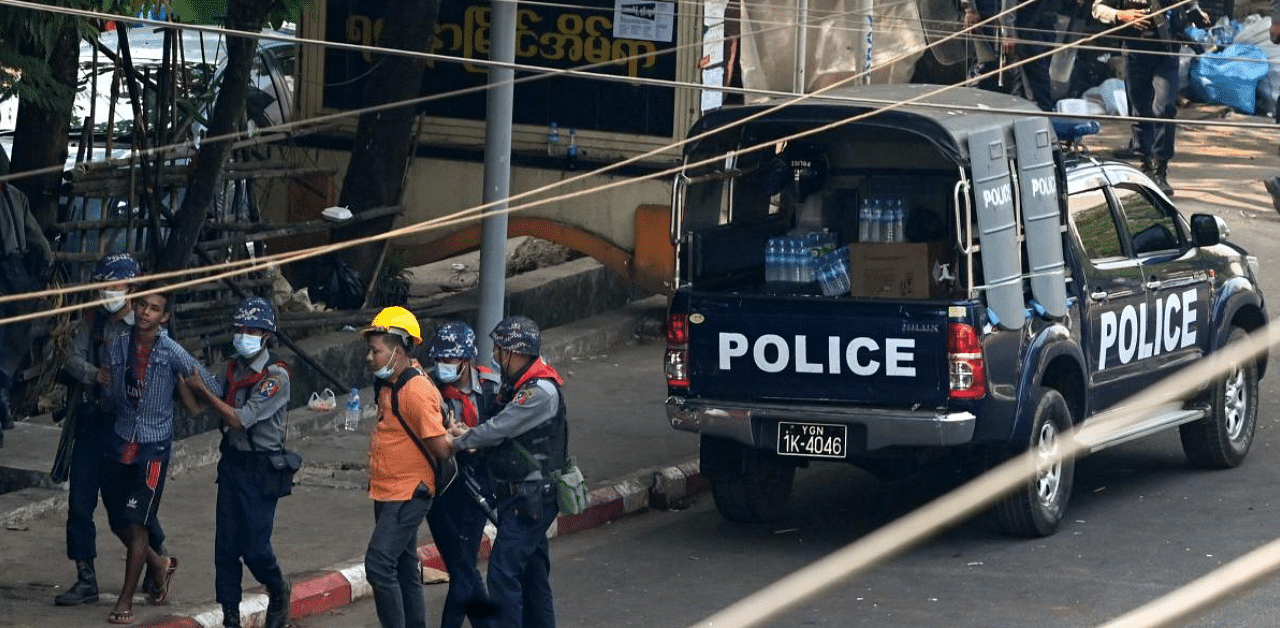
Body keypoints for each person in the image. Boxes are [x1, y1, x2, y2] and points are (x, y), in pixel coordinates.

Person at [101, 284, 219, 625]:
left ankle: (125, 600)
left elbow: (209, 383)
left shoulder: (172, 352)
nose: (144, 312)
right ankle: (159, 563)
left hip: (153, 448)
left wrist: (199, 390)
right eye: (141, 305)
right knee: (114, 516)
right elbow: (111, 392)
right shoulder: (119, 344)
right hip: (122, 439)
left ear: (164, 316)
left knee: (137, 523)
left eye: (153, 308)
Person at [55, 254, 168, 607]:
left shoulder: (146, 327)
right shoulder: (93, 322)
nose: (108, 293)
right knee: (80, 503)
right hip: (91, 424)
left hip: (130, 432)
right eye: (104, 285)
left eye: (114, 286)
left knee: (129, 507)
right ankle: (85, 577)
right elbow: (70, 358)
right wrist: (94, 374)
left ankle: (158, 562)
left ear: (131, 289)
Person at [181, 297, 292, 628]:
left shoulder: (275, 376)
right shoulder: (230, 370)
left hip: (262, 468)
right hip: (232, 465)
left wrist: (204, 389)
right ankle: (230, 614)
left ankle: (277, 588)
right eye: (239, 328)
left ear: (266, 335)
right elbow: (197, 409)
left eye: (251, 330)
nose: (243, 335)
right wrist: (184, 382)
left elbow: (242, 419)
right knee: (226, 546)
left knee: (256, 547)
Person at [449, 316, 566, 628]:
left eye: (500, 350)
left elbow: (500, 428)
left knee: (503, 575)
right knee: (533, 575)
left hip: (529, 500)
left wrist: (460, 441)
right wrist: (473, 435)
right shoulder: (519, 384)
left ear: (517, 352)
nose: (496, 356)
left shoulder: (539, 391)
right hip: (524, 496)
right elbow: (498, 425)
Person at [361, 306, 453, 628]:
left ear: (397, 352)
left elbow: (441, 448)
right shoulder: (390, 383)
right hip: (389, 490)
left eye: (376, 350)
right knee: (403, 566)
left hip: (409, 491)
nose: (370, 357)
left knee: (378, 565)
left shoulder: (414, 389)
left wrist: (459, 436)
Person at [425, 322, 501, 628]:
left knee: (463, 569)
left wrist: (472, 439)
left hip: (477, 486)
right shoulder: (429, 389)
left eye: (451, 360)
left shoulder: (491, 388)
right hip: (442, 487)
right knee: (462, 570)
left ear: (467, 360)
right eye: (440, 359)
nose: (444, 366)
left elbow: (502, 431)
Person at [1092, 0, 1208, 195]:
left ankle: (1160, 168)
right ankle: (1145, 164)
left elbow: (1189, 6)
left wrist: (1197, 14)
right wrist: (1122, 15)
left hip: (1166, 52)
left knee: (1165, 108)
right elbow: (1097, 8)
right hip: (1135, 51)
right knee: (1140, 109)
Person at [0, 179, 53, 442]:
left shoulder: (15, 196)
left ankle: (2, 387)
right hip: (9, 272)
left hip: (14, 271)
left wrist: (46, 256)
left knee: (17, 334)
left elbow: (33, 233)